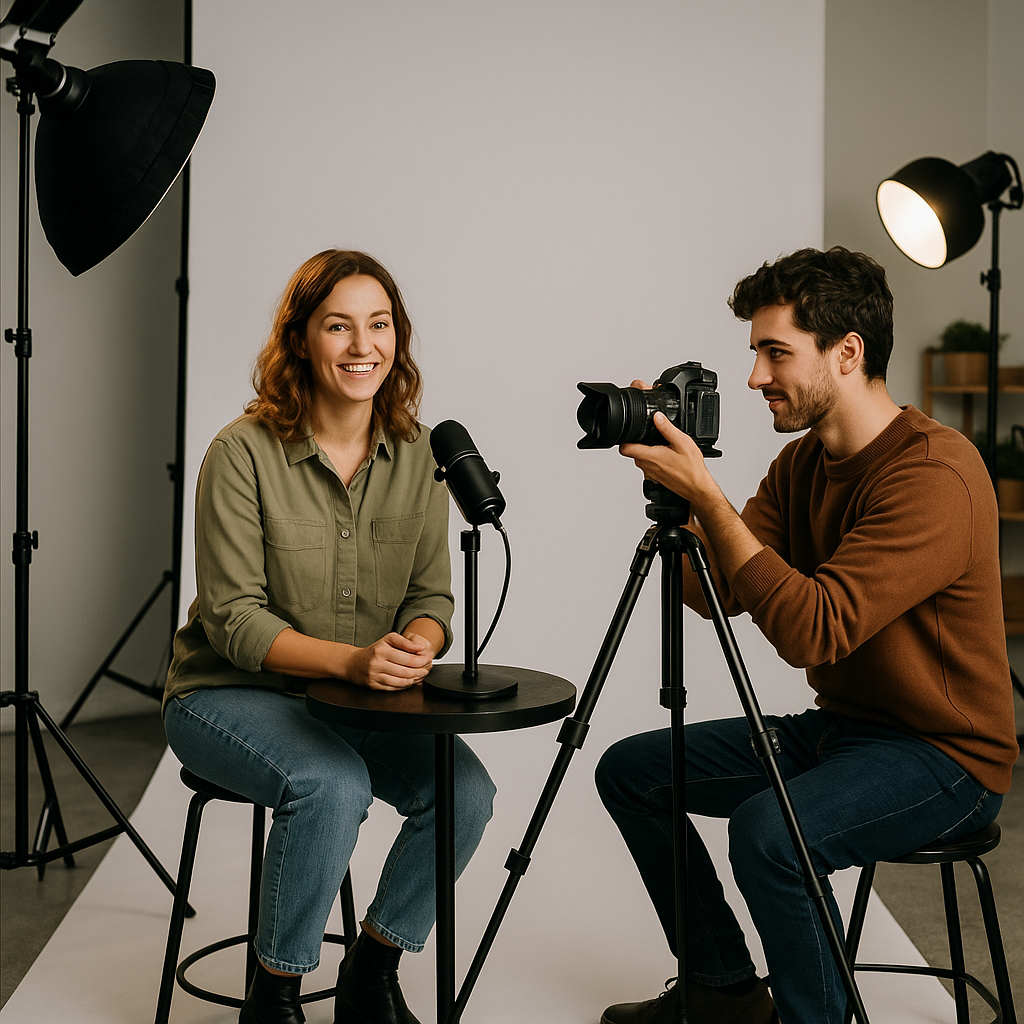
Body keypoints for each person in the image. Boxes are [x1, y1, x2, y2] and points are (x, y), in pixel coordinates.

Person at [594, 247, 1018, 1024]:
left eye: (775, 352)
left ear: (847, 352)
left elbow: (814, 631)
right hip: (841, 733)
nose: (755, 377)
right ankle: (723, 989)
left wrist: (711, 501)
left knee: (770, 834)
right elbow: (709, 589)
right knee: (632, 771)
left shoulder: (935, 475)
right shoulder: (801, 467)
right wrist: (670, 487)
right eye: (756, 352)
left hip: (946, 755)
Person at [163, 249, 495, 1024]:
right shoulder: (240, 453)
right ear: (302, 340)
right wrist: (353, 659)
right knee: (333, 784)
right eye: (338, 326)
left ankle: (372, 971)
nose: (361, 347)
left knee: (466, 792)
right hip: (226, 693)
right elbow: (235, 620)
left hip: (354, 696)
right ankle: (275, 995)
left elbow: (430, 593)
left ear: (397, 339)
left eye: (378, 326)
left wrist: (417, 641)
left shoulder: (418, 456)